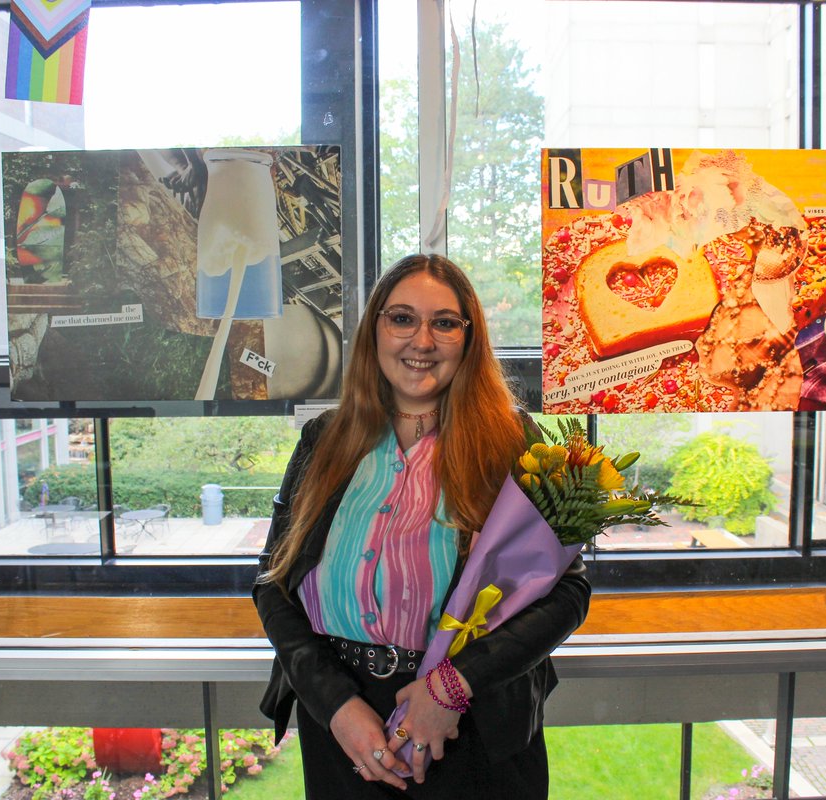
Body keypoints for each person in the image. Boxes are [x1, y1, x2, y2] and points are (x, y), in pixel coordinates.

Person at [253, 253, 591, 798]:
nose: (423, 341)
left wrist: (452, 688)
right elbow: (273, 581)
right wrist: (335, 705)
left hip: (473, 726)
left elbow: (568, 592)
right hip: (345, 733)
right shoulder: (324, 440)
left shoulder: (513, 442)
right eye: (402, 318)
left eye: (445, 323)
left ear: (469, 337)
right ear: (375, 331)